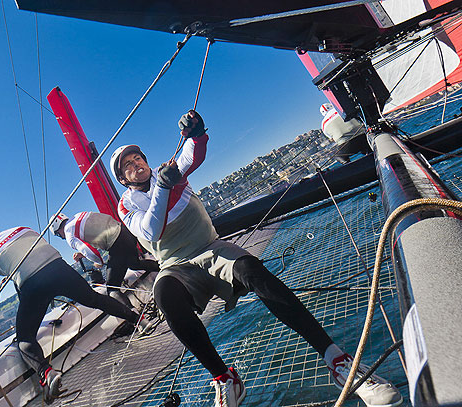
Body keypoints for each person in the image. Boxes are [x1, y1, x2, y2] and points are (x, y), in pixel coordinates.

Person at [109, 110, 403, 407]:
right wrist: (163, 186)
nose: (136, 165)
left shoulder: (170, 174)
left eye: (138, 158)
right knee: (164, 295)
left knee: (253, 270)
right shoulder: (127, 204)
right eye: (128, 166)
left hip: (211, 248)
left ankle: (338, 362)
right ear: (122, 179)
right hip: (176, 266)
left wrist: (196, 134)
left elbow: (189, 157)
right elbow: (151, 230)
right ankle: (225, 379)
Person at [0, 227, 149, 404]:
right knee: (94, 299)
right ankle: (139, 319)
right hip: (58, 268)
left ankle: (47, 374)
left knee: (25, 337)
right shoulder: (21, 229)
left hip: (32, 284)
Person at [49, 212, 159, 308]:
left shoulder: (69, 235)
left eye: (59, 235)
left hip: (117, 244)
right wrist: (82, 254)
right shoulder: (79, 216)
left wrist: (99, 263)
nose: (62, 238)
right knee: (134, 264)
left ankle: (139, 321)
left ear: (58, 229)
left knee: (112, 288)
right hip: (125, 232)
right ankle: (166, 267)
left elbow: (91, 252)